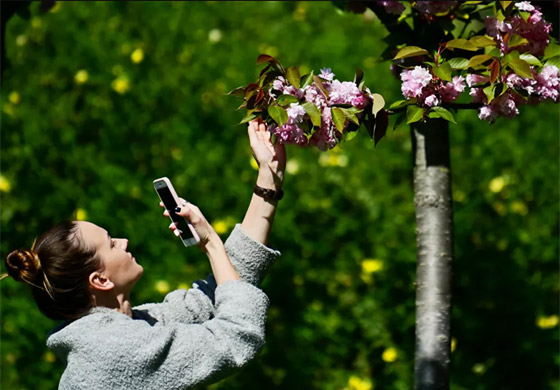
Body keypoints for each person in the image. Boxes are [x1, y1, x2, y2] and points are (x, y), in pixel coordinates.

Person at [3, 120, 286, 390]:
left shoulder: (126, 330)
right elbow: (237, 337)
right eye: (111, 244)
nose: (124, 242)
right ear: (100, 280)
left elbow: (216, 294)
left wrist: (268, 179)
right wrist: (211, 241)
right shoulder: (116, 352)